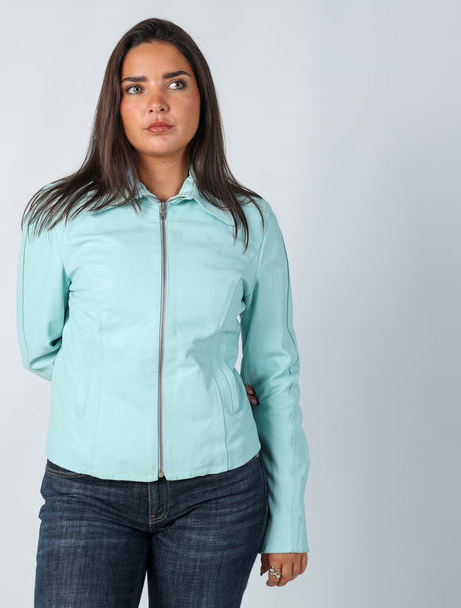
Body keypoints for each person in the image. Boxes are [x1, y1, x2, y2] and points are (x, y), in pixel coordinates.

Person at [16, 17, 309, 608]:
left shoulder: (249, 222)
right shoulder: (60, 216)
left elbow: (274, 371)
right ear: (116, 106)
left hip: (220, 494)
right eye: (136, 88)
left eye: (176, 83)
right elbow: (41, 347)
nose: (157, 103)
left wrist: (289, 521)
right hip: (87, 492)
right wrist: (139, 379)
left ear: (202, 97)